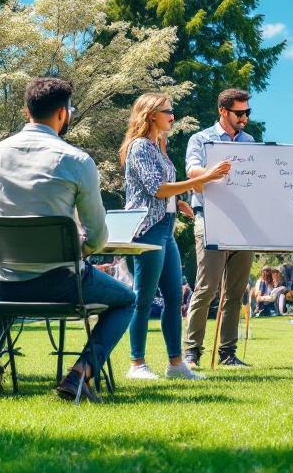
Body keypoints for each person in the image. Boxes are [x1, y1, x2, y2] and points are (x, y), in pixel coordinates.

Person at [0, 77, 133, 402]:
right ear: (62, 113)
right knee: (127, 299)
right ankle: (80, 372)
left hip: (3, 286)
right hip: (60, 283)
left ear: (27, 111)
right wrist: (80, 251)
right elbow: (98, 235)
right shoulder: (76, 161)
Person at [120, 92, 229, 381]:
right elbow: (156, 188)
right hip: (147, 230)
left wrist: (178, 203)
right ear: (151, 114)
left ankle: (175, 364)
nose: (172, 116)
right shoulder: (140, 146)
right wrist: (203, 179)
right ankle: (136, 364)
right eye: (168, 111)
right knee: (143, 298)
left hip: (165, 227)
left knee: (172, 296)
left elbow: (163, 189)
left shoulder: (159, 145)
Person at [182, 88, 257, 369]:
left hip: (244, 222)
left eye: (247, 113)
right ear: (223, 112)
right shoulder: (201, 139)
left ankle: (228, 353)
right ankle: (192, 352)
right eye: (240, 113)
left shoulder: (249, 141)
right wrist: (215, 172)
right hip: (209, 216)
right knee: (207, 287)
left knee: (236, 291)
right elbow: (192, 172)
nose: (245, 118)